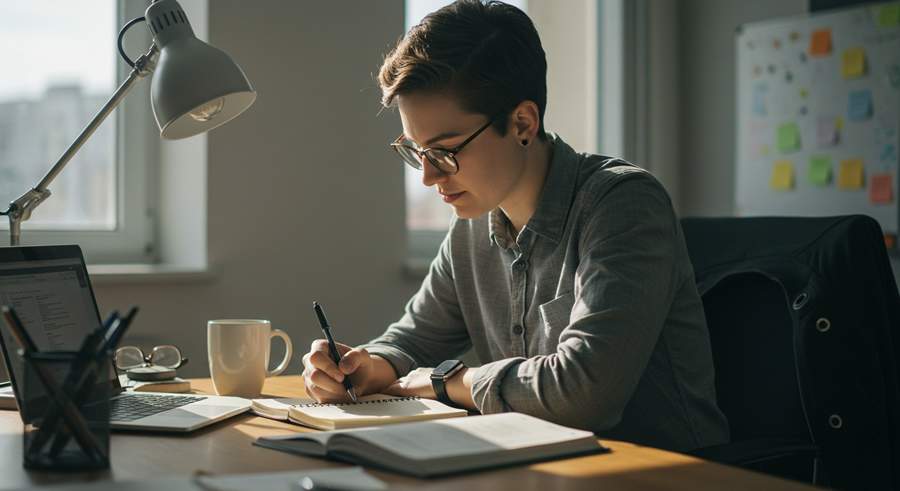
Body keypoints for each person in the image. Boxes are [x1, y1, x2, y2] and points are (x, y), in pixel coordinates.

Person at [301, 0, 729, 452]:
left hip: (659, 472)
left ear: (523, 122)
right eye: (416, 152)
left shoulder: (623, 204)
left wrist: (446, 382)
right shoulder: (474, 221)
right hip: (536, 465)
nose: (428, 177)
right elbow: (415, 336)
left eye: (445, 151)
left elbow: (583, 393)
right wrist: (369, 366)